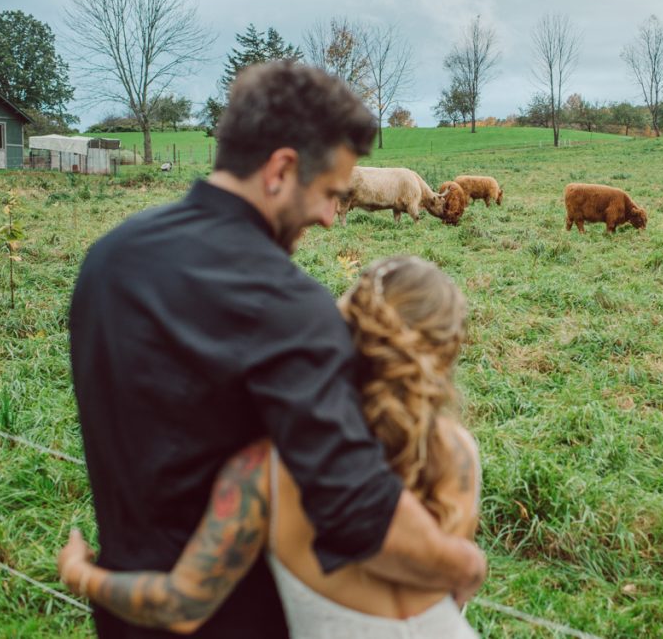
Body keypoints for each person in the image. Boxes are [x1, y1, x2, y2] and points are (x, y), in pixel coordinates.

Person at [66, 61, 485, 638]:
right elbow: (359, 510)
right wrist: (464, 562)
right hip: (240, 618)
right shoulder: (290, 308)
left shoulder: (109, 260)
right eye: (330, 194)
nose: (330, 221)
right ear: (281, 169)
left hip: (126, 609)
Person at [59, 256, 481, 637]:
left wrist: (81, 574)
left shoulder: (269, 466)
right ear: (445, 355)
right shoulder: (459, 455)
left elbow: (183, 603)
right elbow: (453, 598)